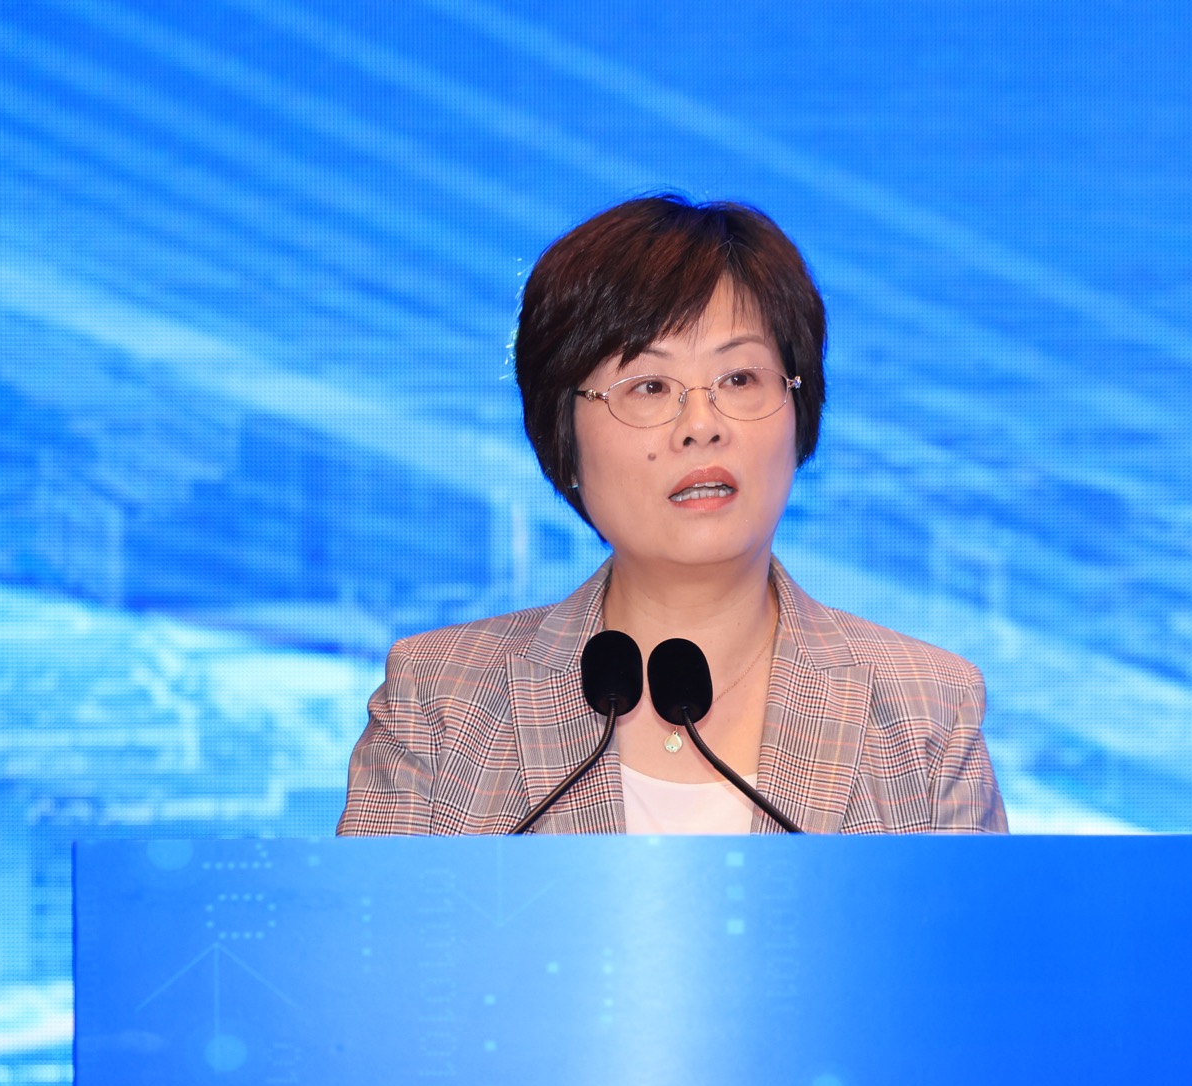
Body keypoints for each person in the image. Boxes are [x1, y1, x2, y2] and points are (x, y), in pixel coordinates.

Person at [337, 194, 1007, 835]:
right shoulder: (439, 704)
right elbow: (376, 921)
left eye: (738, 379)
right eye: (649, 386)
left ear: (799, 412)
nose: (701, 425)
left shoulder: (926, 709)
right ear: (563, 439)